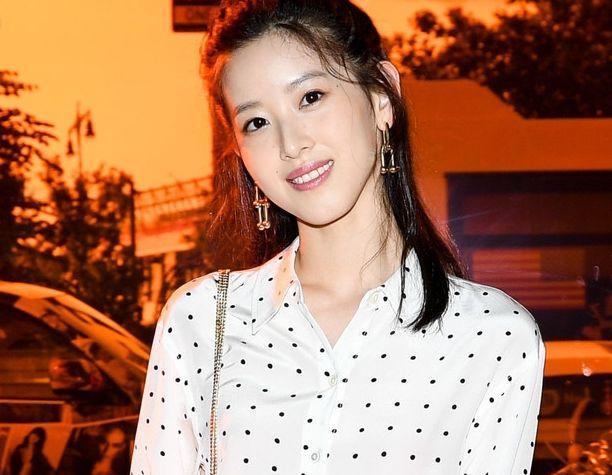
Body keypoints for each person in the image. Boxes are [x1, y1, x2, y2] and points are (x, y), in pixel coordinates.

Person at [129, 1, 546, 473]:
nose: (291, 144)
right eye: (256, 122)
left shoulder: (495, 337)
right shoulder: (200, 321)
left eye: (310, 97)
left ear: (382, 96)